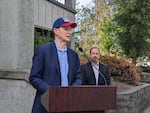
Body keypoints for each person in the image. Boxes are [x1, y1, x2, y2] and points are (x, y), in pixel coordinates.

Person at [29, 17, 82, 113]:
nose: (70, 32)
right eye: (66, 29)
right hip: (46, 105)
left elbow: (78, 78)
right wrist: (51, 92)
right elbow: (34, 77)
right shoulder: (43, 51)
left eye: (71, 29)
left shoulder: (73, 55)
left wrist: (71, 91)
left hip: (67, 104)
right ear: (56, 31)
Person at [81, 47, 110, 113]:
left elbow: (107, 82)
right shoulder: (83, 68)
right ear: (90, 55)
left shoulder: (105, 68)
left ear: (99, 55)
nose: (95, 55)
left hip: (101, 100)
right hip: (87, 99)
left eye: (97, 53)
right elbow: (82, 83)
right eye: (93, 53)